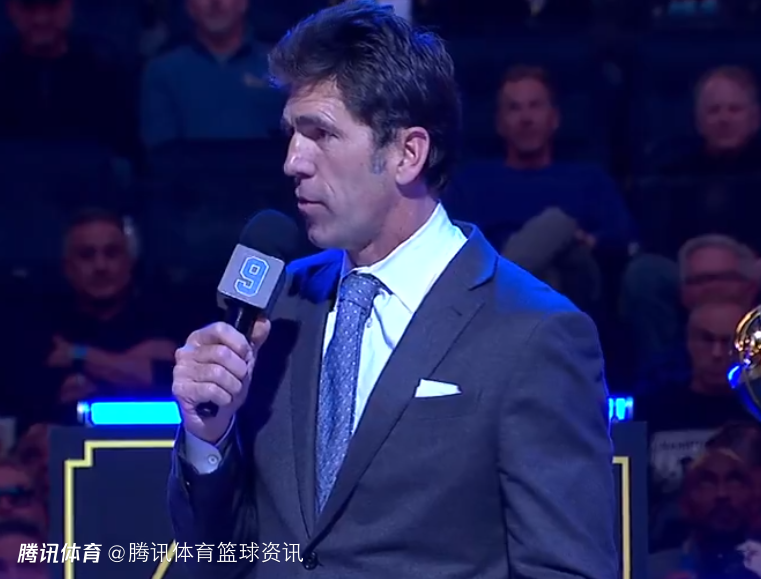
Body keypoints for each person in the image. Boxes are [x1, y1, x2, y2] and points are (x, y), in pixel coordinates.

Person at [168, 2, 617, 578]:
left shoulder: (534, 333)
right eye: (291, 134)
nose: (292, 162)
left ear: (408, 153)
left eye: (320, 133)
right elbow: (216, 557)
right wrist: (208, 434)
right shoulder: (280, 306)